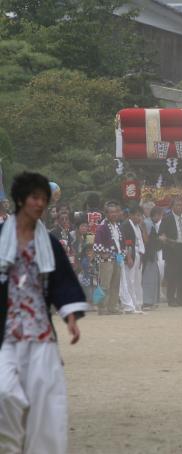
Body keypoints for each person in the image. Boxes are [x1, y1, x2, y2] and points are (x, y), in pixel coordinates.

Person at [0, 171, 87, 454]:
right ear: (21, 199)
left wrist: (70, 317)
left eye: (44, 199)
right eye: (35, 198)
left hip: (39, 332)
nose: (40, 204)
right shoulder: (2, 237)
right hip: (7, 332)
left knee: (45, 400)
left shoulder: (48, 243)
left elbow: (62, 282)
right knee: (4, 393)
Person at [159, 199, 182, 307]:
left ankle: (181, 299)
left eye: (181, 204)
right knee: (172, 275)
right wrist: (167, 241)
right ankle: (171, 299)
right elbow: (161, 233)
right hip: (173, 248)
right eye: (177, 205)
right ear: (172, 206)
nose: (180, 207)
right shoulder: (167, 218)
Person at [94, 201, 124, 315]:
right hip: (106, 259)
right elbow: (97, 244)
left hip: (117, 257)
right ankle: (101, 307)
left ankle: (113, 306)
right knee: (104, 284)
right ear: (106, 214)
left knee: (115, 284)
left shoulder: (118, 226)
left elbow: (121, 243)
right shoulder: (102, 227)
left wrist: (121, 256)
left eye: (116, 212)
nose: (114, 214)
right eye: (111, 212)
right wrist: (103, 253)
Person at [120, 207, 145, 313]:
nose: (139, 217)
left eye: (140, 215)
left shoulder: (138, 226)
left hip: (138, 254)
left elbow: (140, 241)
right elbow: (127, 243)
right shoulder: (126, 225)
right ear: (130, 215)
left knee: (137, 280)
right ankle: (130, 305)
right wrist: (128, 257)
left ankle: (138, 304)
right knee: (129, 281)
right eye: (137, 215)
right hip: (130, 254)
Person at [141, 206, 163, 310]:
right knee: (148, 279)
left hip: (151, 255)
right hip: (148, 255)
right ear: (156, 215)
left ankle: (151, 301)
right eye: (159, 215)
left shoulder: (150, 223)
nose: (160, 217)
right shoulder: (148, 223)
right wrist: (159, 239)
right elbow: (148, 240)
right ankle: (146, 301)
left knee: (154, 277)